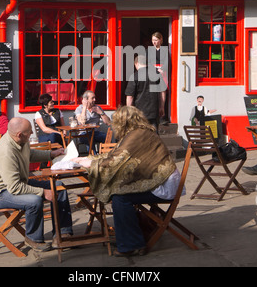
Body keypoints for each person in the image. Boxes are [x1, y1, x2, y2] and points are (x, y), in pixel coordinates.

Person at [74, 105, 184, 257]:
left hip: (163, 184)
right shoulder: (140, 132)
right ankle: (130, 238)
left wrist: (92, 164)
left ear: (123, 122)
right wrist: (88, 159)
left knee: (120, 197)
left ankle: (131, 244)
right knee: (120, 192)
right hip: (162, 179)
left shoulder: (136, 136)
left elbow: (116, 160)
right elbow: (114, 154)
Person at [0, 117, 73, 252]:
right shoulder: (6, 152)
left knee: (58, 186)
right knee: (34, 200)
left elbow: (30, 154)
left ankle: (63, 233)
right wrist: (43, 192)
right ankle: (33, 239)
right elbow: (14, 187)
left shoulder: (19, 140)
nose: (32, 134)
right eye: (30, 132)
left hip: (17, 183)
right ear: (20, 134)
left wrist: (51, 154)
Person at [125, 55, 167, 130]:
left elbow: (130, 96)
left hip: (139, 112)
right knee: (153, 136)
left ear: (136, 63)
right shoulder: (156, 74)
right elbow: (162, 91)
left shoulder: (135, 76)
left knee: (140, 136)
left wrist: (129, 111)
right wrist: (161, 107)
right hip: (154, 111)